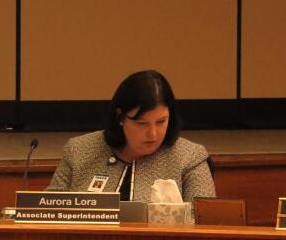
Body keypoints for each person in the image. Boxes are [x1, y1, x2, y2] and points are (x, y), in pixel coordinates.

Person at [47, 70, 215, 202]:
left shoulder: (190, 158)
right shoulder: (79, 151)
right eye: (141, 123)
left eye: (161, 121)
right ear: (120, 117)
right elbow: (46, 213)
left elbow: (204, 224)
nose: (153, 133)